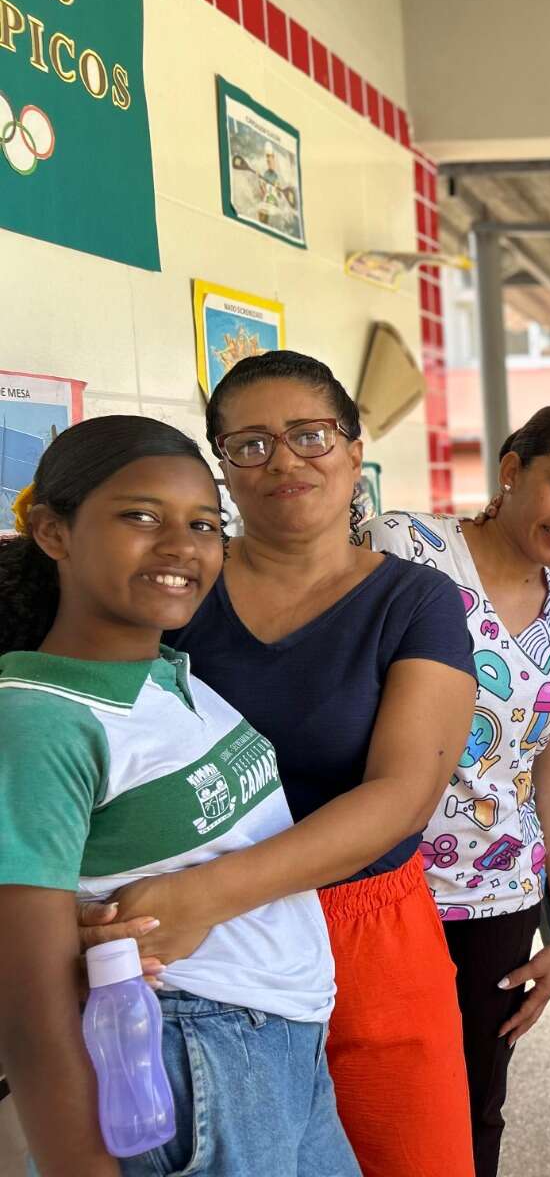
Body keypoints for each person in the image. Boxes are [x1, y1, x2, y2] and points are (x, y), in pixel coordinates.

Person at [0, 417, 357, 1177]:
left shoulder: (168, 672)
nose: (181, 546)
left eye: (203, 523)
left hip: (280, 1047)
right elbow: (29, 1006)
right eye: (140, 516)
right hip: (189, 1054)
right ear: (54, 532)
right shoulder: (40, 721)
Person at [155, 351, 479, 1177]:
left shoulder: (416, 600)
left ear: (353, 443)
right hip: (208, 951)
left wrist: (209, 894)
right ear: (222, 466)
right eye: (251, 445)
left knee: (414, 1158)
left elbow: (405, 794)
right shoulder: (178, 591)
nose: (285, 461)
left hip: (364, 930)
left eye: (310, 435)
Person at [364, 405, 550, 1177]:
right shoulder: (403, 549)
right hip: (375, 885)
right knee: (367, 1096)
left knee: (476, 1103)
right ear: (513, 470)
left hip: (496, 902)